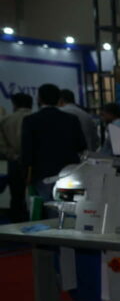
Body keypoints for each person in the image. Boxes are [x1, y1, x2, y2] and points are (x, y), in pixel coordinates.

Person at [22, 83, 87, 199]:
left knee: (47, 204)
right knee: (70, 204)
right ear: (59, 99)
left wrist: (27, 175)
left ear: (39, 99)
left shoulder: (30, 120)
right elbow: (81, 146)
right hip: (69, 172)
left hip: (42, 173)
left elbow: (27, 151)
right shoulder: (71, 119)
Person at [0, 93, 35, 221]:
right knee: (38, 194)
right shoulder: (36, 117)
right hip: (36, 162)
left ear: (14, 104)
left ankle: (16, 223)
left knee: (16, 195)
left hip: (15, 162)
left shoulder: (5, 120)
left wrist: (13, 155)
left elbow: (1, 145)